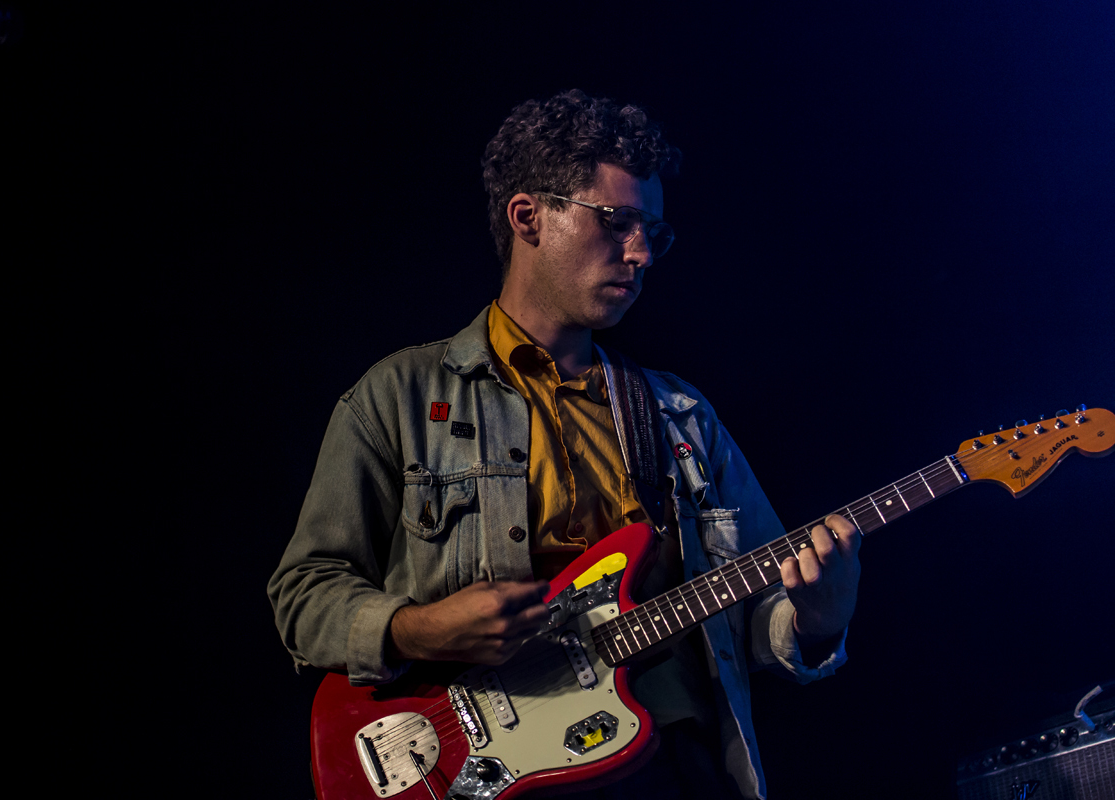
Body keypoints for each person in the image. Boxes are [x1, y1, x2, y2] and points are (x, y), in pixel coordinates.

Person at [269, 89, 861, 799]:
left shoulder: (679, 414)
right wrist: (417, 629)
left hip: (664, 765)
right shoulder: (396, 396)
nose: (640, 253)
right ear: (528, 217)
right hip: (487, 772)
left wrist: (818, 622)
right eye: (617, 223)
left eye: (654, 233)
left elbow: (754, 614)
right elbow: (303, 596)